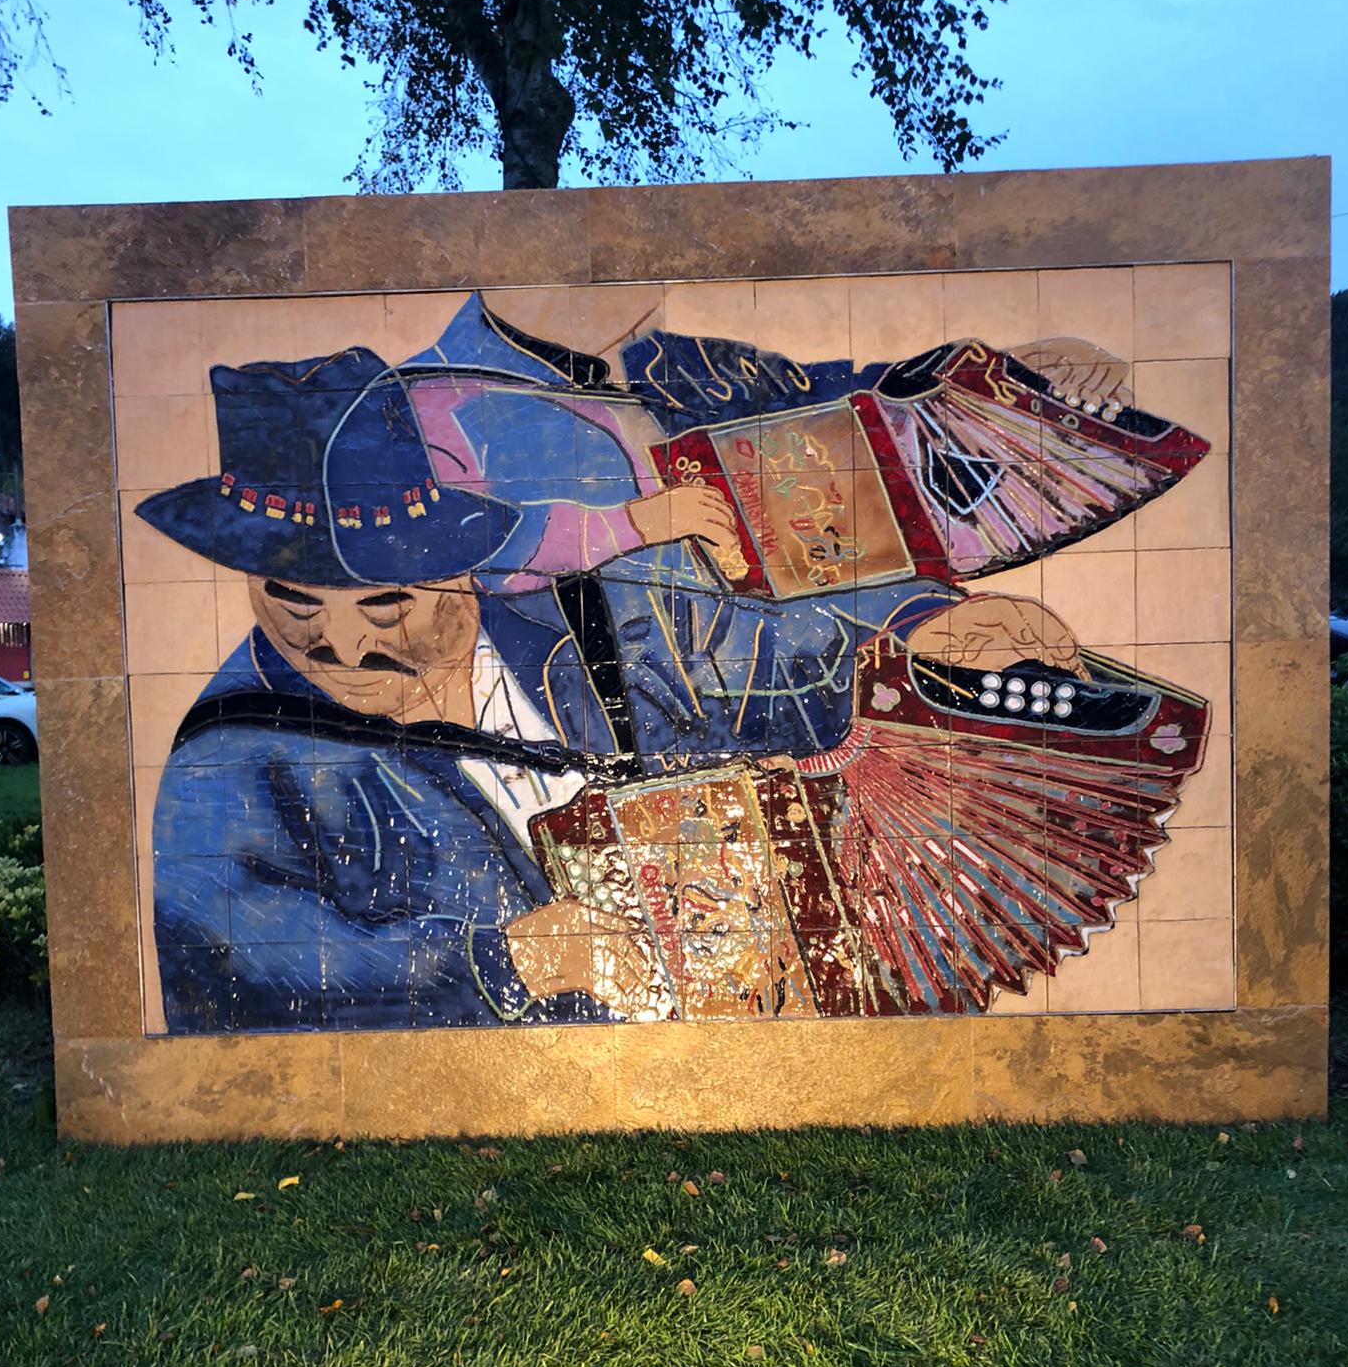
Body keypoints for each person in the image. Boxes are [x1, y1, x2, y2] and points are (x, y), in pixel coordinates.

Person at [138, 344, 1085, 1032]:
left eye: (386, 602)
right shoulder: (231, 755)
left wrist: (917, 631)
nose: (341, 644)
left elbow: (758, 658)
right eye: (291, 600)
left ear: (464, 565)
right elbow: (228, 957)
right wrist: (498, 961)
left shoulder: (579, 616)